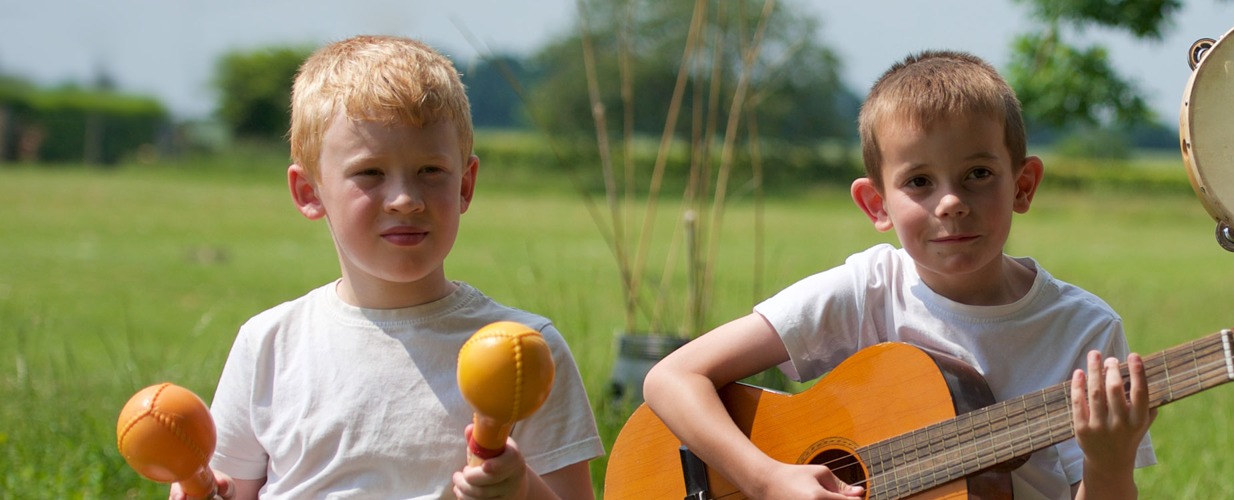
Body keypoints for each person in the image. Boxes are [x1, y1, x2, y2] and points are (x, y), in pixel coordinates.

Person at [643, 50, 1156, 500]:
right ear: (876, 204)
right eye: (919, 181)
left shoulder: (1083, 331)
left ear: (1023, 186)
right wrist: (765, 480)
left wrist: (1107, 462)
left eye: (978, 174)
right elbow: (671, 377)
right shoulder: (870, 288)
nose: (951, 202)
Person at [191, 35, 601, 499]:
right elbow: (229, 488)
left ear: (465, 185)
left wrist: (520, 486)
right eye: (370, 173)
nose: (405, 199)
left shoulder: (526, 352)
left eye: (430, 171)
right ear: (309, 192)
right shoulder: (269, 344)